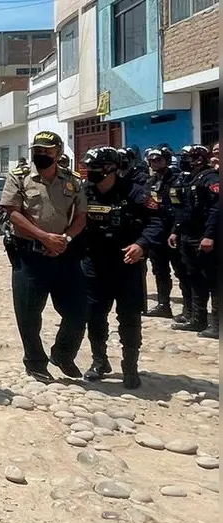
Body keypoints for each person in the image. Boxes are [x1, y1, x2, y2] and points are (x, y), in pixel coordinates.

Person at [0, 130, 87, 382]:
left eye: (47, 152)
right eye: (37, 151)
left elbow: (81, 216)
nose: (41, 155)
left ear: (58, 154)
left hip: (64, 254)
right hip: (30, 255)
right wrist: (43, 237)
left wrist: (65, 239)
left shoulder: (73, 180)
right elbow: (12, 212)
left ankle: (63, 354)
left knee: (78, 311)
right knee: (28, 314)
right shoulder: (20, 177)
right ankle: (35, 362)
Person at [78, 146, 165, 389]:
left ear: (112, 168)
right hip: (94, 264)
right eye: (89, 168)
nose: (91, 172)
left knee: (129, 318)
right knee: (94, 317)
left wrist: (142, 244)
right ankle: (99, 361)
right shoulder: (84, 192)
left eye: (96, 168)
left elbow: (157, 221)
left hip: (127, 265)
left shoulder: (137, 193)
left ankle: (130, 367)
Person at [169, 144, 219, 338]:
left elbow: (216, 209)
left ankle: (217, 325)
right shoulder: (189, 178)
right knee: (194, 277)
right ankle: (197, 319)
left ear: (199, 158)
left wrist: (210, 235)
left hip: (204, 236)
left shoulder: (211, 178)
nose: (184, 161)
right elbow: (182, 209)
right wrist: (175, 231)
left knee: (213, 281)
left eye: (188, 157)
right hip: (187, 235)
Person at [142, 146, 187, 319]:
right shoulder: (150, 181)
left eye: (158, 160)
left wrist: (176, 230)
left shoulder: (178, 179)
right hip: (156, 232)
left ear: (167, 161)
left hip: (174, 231)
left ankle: (189, 308)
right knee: (159, 271)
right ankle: (163, 304)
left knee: (181, 270)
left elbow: (182, 208)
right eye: (152, 160)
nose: (155, 163)